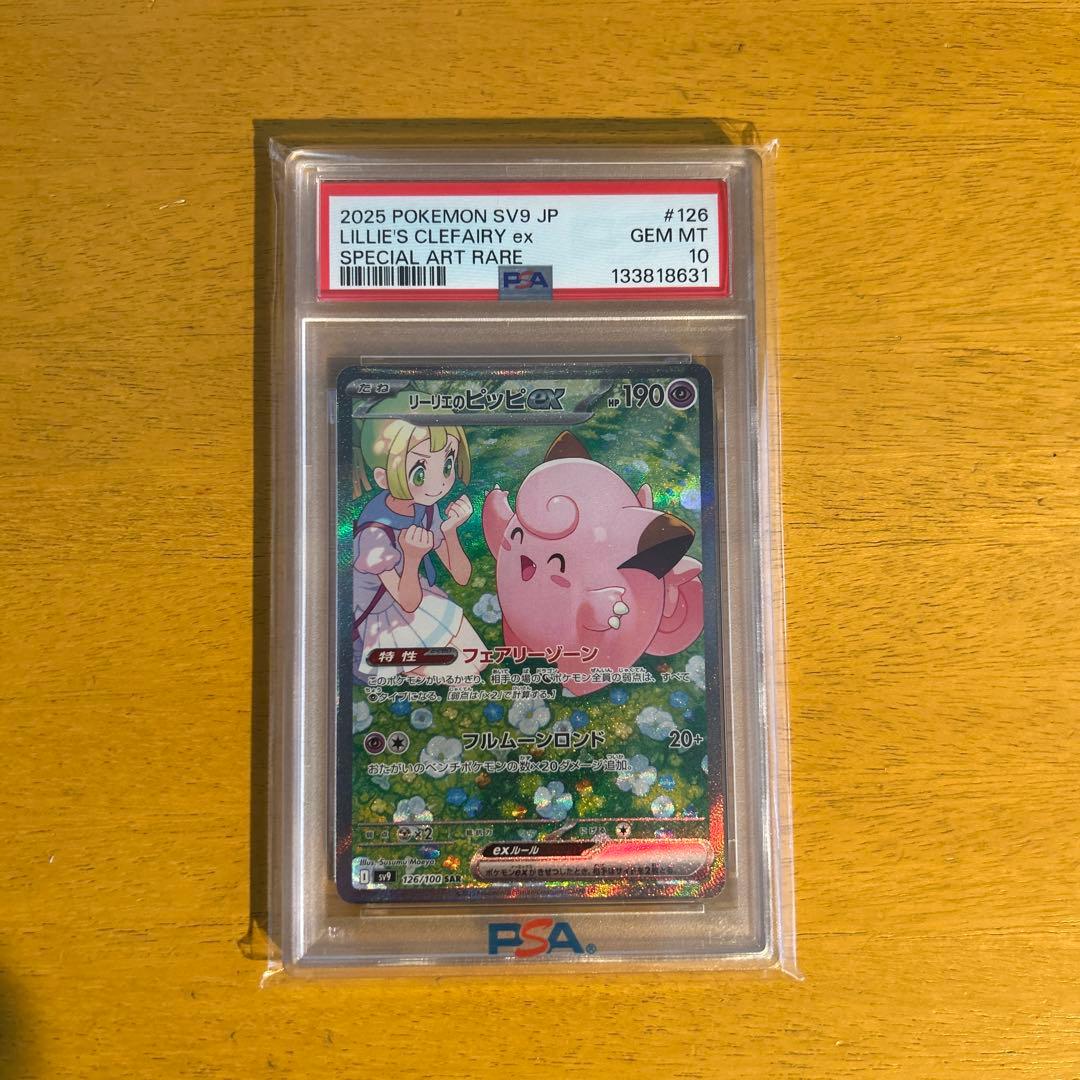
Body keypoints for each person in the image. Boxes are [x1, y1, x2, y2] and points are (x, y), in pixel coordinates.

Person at [351, 392, 488, 683]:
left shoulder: (426, 508)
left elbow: (462, 576)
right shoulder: (375, 533)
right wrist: (412, 558)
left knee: (480, 658)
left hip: (417, 596)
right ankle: (395, 672)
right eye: (420, 473)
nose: (439, 484)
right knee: (466, 676)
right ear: (383, 478)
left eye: (447, 465)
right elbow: (406, 602)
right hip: (384, 615)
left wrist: (450, 531)